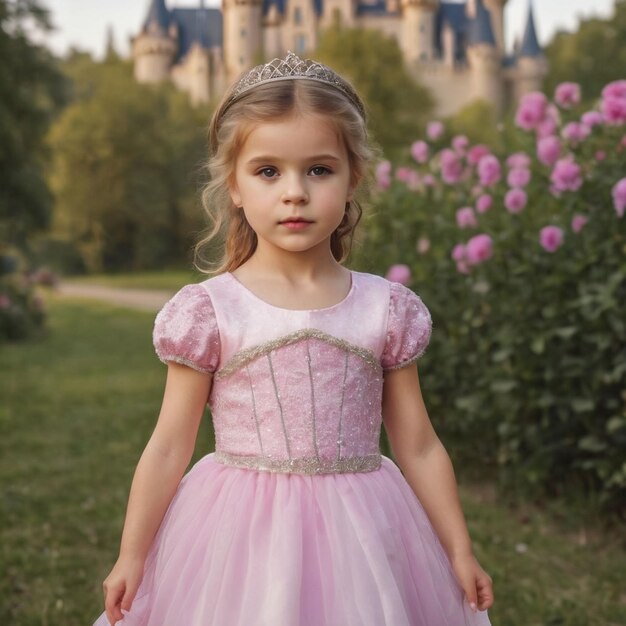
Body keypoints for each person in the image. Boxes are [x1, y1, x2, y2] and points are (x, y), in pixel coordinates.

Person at [94, 51, 494, 626]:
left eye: (319, 170)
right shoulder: (211, 313)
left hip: (365, 527)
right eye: (268, 171)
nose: (294, 193)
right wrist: (132, 555)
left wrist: (458, 548)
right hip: (238, 535)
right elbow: (167, 447)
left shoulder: (385, 309)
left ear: (353, 176)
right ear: (233, 185)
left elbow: (420, 445)